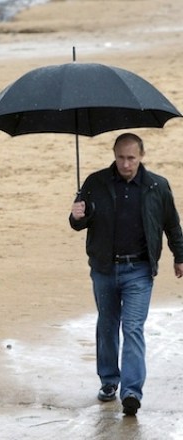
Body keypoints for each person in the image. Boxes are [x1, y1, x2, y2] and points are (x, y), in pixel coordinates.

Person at [69, 132, 183, 416]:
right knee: (107, 325)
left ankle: (131, 391)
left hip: (140, 270)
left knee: (132, 328)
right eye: (121, 157)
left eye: (131, 157)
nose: (126, 164)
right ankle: (109, 381)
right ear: (114, 155)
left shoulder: (157, 186)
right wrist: (77, 215)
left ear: (142, 156)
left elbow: (172, 225)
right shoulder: (95, 182)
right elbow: (79, 223)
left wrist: (180, 256)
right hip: (104, 269)